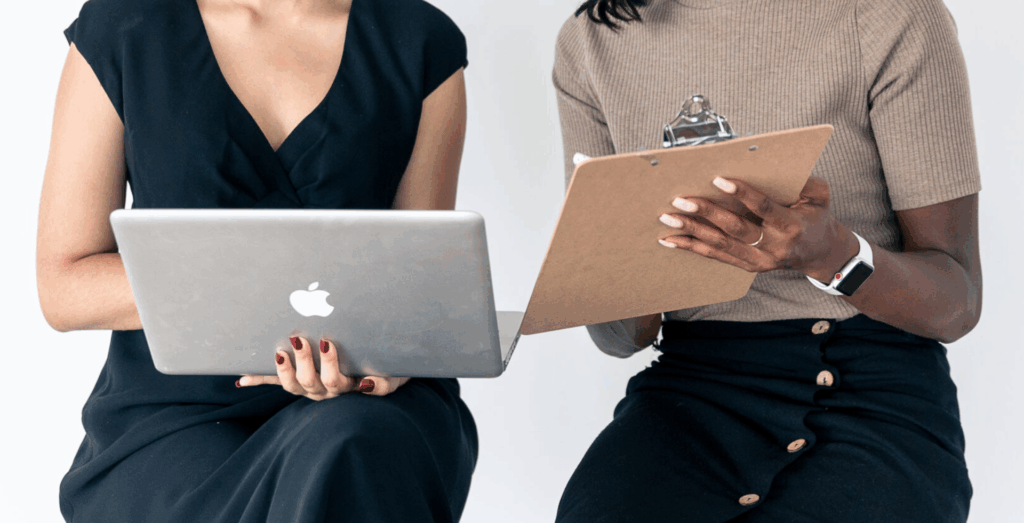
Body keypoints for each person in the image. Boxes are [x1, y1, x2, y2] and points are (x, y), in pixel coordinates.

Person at [36, 0, 477, 521]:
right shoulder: (123, 26)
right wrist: (246, 286)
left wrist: (392, 360)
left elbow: (415, 278)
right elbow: (64, 285)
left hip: (361, 404)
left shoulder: (421, 40)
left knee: (351, 444)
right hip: (172, 416)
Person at [552, 0, 981, 521]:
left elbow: (956, 303)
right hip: (693, 386)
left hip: (872, 382)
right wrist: (623, 264)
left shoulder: (892, 15)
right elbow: (618, 339)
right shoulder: (593, 37)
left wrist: (835, 257)